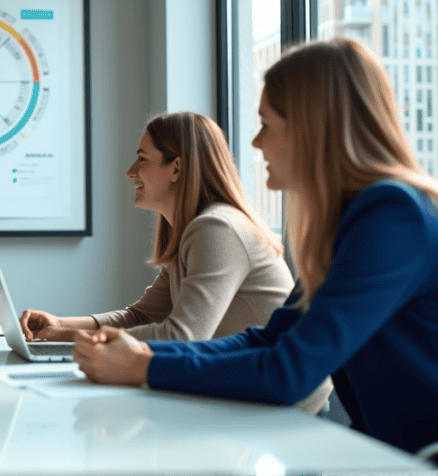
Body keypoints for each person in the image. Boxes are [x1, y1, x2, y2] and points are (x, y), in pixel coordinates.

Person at [72, 38, 438, 455]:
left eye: (266, 124)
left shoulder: (392, 216)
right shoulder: (353, 221)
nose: (256, 143)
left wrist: (144, 365)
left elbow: (289, 370)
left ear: (311, 128)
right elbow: (269, 339)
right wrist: (142, 353)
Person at [20, 112, 294, 342]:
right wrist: (59, 325)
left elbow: (182, 336)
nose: (130, 171)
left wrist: (75, 338)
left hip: (275, 401)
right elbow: (140, 317)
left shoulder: (217, 229)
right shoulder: (195, 231)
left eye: (142, 158)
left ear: (176, 168)